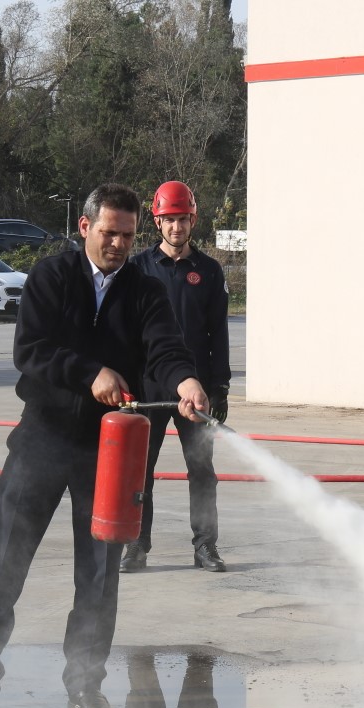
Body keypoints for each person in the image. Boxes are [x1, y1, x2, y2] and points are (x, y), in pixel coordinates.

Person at [0, 183, 208, 708]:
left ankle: (85, 683)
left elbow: (164, 345)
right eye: (109, 232)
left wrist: (184, 381)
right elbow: (31, 351)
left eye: (128, 235)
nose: (118, 244)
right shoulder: (50, 276)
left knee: (99, 571)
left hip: (108, 450)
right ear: (85, 227)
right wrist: (90, 374)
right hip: (42, 438)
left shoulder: (144, 289)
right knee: (7, 560)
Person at [122, 180, 232, 574]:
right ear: (157, 221)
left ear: (193, 220)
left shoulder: (208, 271)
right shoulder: (137, 269)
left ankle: (206, 547)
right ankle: (136, 545)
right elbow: (125, 332)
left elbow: (217, 332)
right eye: (169, 220)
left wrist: (220, 386)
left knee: (201, 470)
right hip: (148, 389)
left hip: (196, 392)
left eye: (183, 219)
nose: (176, 227)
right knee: (139, 471)